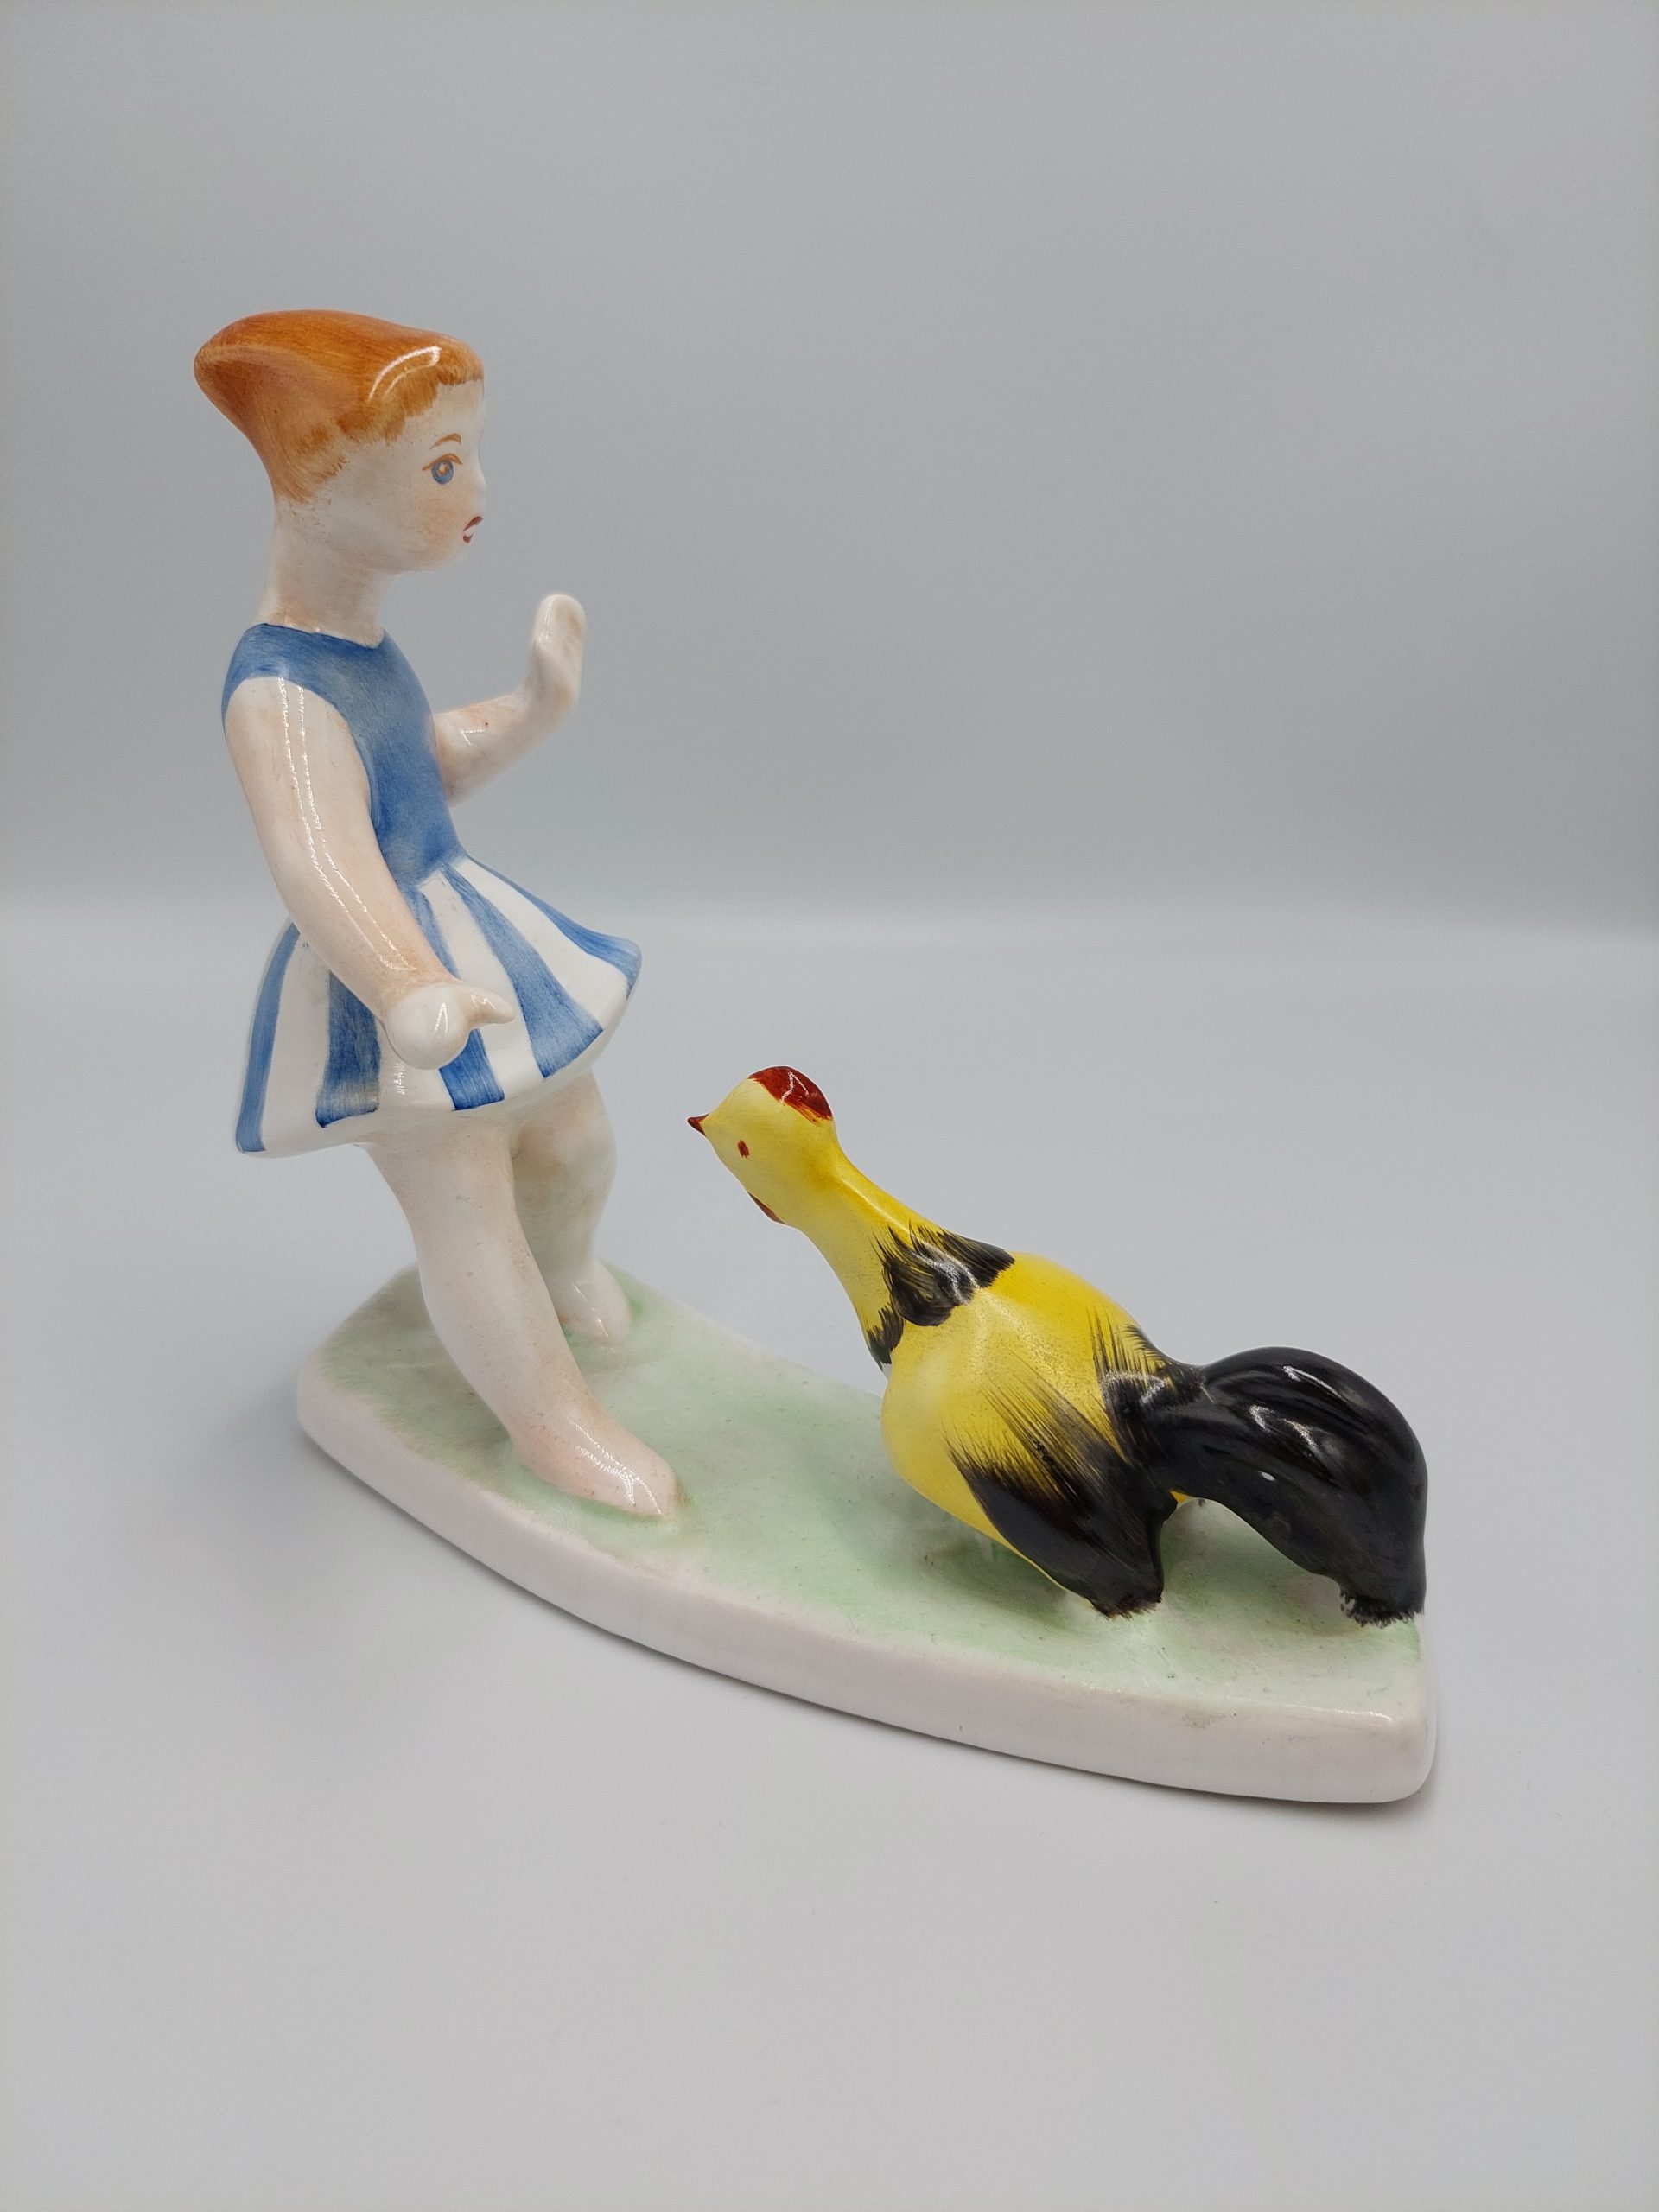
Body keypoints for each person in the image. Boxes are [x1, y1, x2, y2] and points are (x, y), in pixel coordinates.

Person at [197, 308, 679, 1515]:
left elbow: (416, 763)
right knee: (465, 1203)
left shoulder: (360, 643)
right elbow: (320, 859)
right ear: (321, 487)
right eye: (442, 467)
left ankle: (566, 1278)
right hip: (394, 983)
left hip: (466, 934)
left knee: (571, 1139)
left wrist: (530, 710)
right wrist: (402, 981)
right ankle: (550, 1423)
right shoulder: (277, 689)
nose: (477, 493)